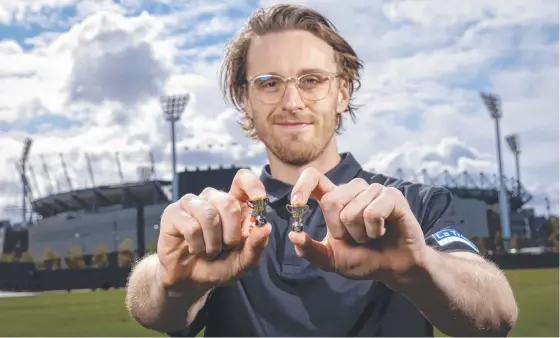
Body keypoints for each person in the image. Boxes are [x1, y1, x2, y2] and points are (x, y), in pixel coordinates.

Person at [125, 4, 518, 337]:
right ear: (246, 99)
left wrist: (421, 268)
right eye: (269, 83)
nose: (292, 101)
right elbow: (150, 302)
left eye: (312, 80)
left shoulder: (412, 205)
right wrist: (170, 283)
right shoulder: (224, 217)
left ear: (342, 92)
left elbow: (497, 311)